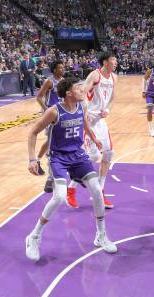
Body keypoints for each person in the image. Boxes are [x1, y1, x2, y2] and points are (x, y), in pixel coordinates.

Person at [25, 77, 117, 261]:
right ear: (69, 93)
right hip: (58, 157)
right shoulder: (54, 112)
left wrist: (93, 136)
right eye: (79, 89)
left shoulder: (81, 107)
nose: (83, 91)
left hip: (77, 154)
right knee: (59, 196)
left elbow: (85, 123)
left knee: (97, 190)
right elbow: (33, 132)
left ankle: (101, 235)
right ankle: (34, 236)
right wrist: (32, 159)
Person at [67, 52, 117, 209]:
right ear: (105, 61)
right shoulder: (95, 75)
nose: (116, 62)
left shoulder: (115, 77)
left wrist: (108, 109)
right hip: (89, 120)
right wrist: (84, 111)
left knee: (109, 153)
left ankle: (101, 190)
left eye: (116, 60)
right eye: (113, 59)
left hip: (100, 120)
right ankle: (71, 189)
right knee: (93, 156)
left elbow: (113, 97)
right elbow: (81, 92)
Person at [35, 60, 65, 193]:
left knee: (49, 142)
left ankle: (37, 160)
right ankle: (50, 177)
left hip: (61, 114)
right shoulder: (50, 81)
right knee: (52, 143)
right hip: (50, 114)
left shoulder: (64, 81)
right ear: (54, 70)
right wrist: (46, 110)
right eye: (60, 67)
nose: (62, 69)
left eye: (63, 67)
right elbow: (39, 97)